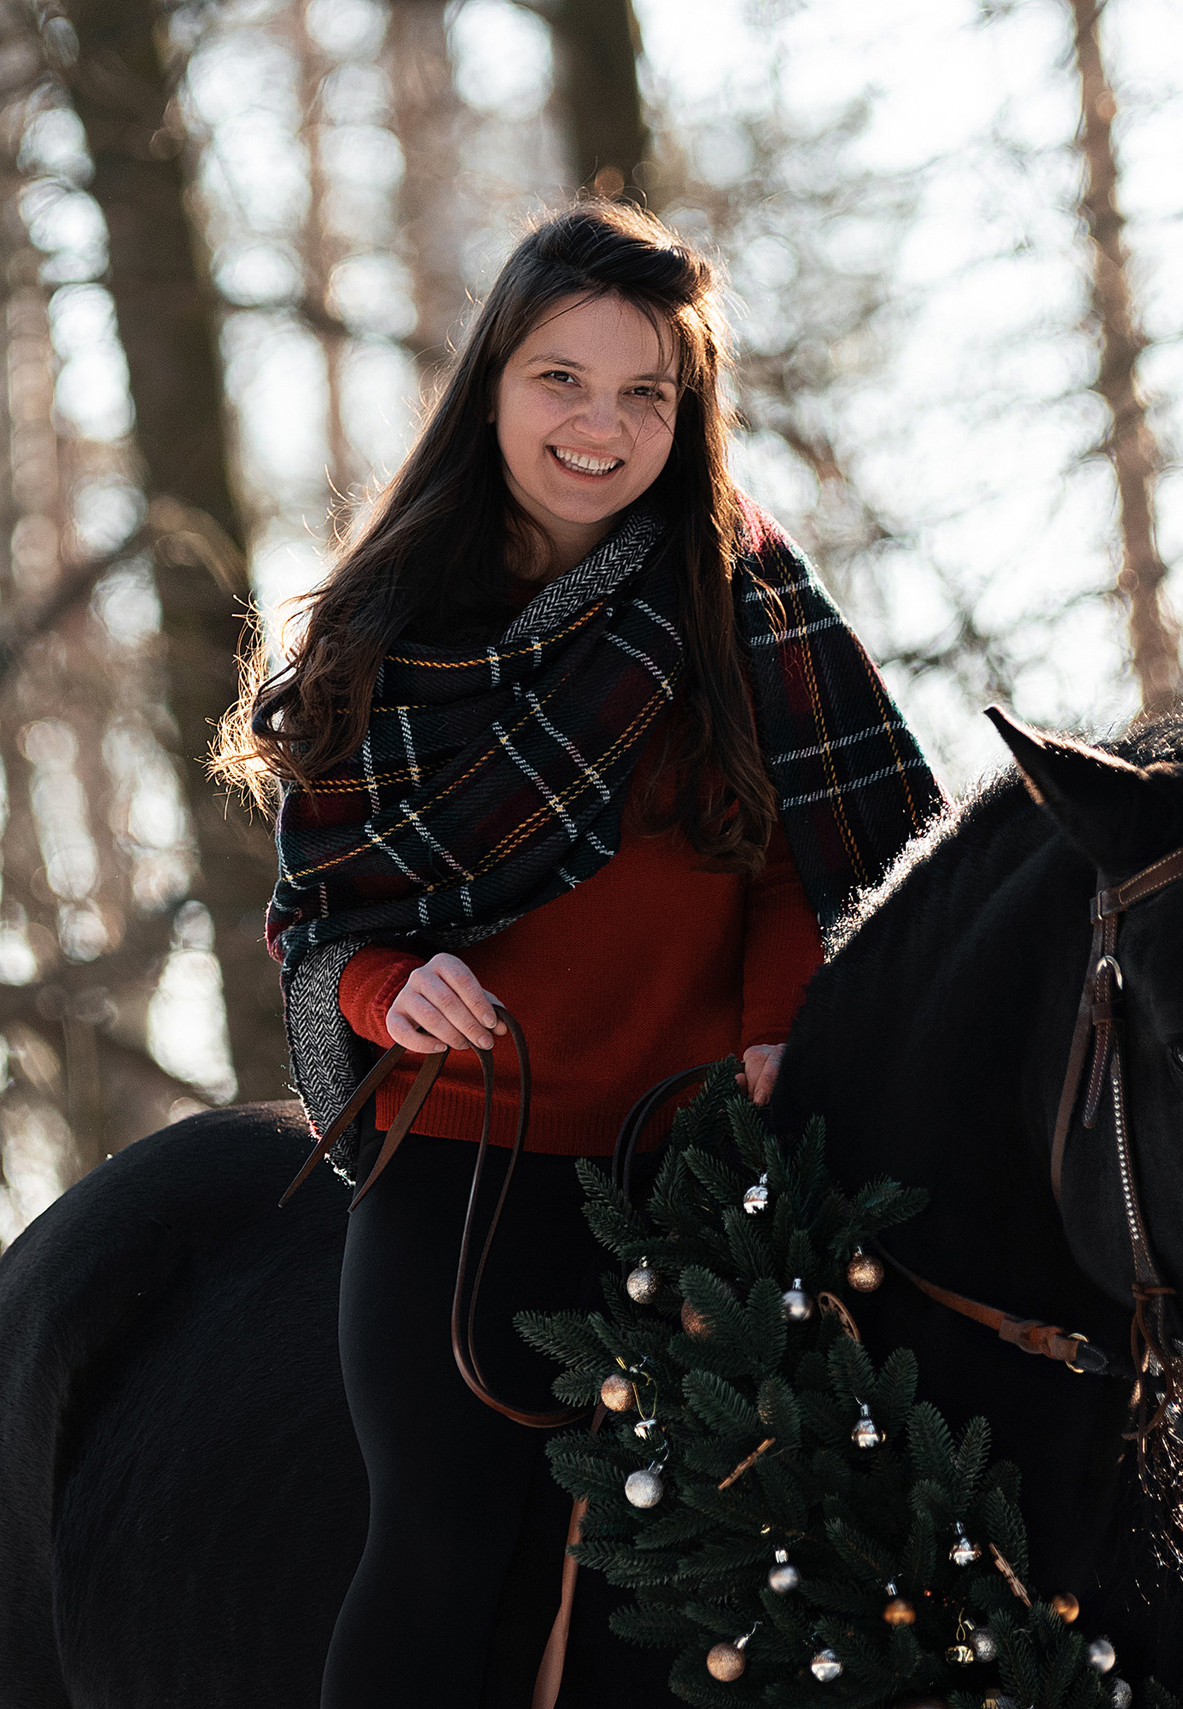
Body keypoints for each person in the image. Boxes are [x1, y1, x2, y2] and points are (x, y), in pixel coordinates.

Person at [213, 199, 945, 1709]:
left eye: (645, 392)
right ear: (492, 383)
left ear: (690, 411)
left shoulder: (743, 597)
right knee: (444, 1539)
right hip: (469, 1157)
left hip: (709, 1160)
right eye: (563, 378)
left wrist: (779, 1025)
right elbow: (324, 914)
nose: (601, 426)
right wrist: (383, 989)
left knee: (746, 1563)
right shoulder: (377, 630)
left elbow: (826, 854)